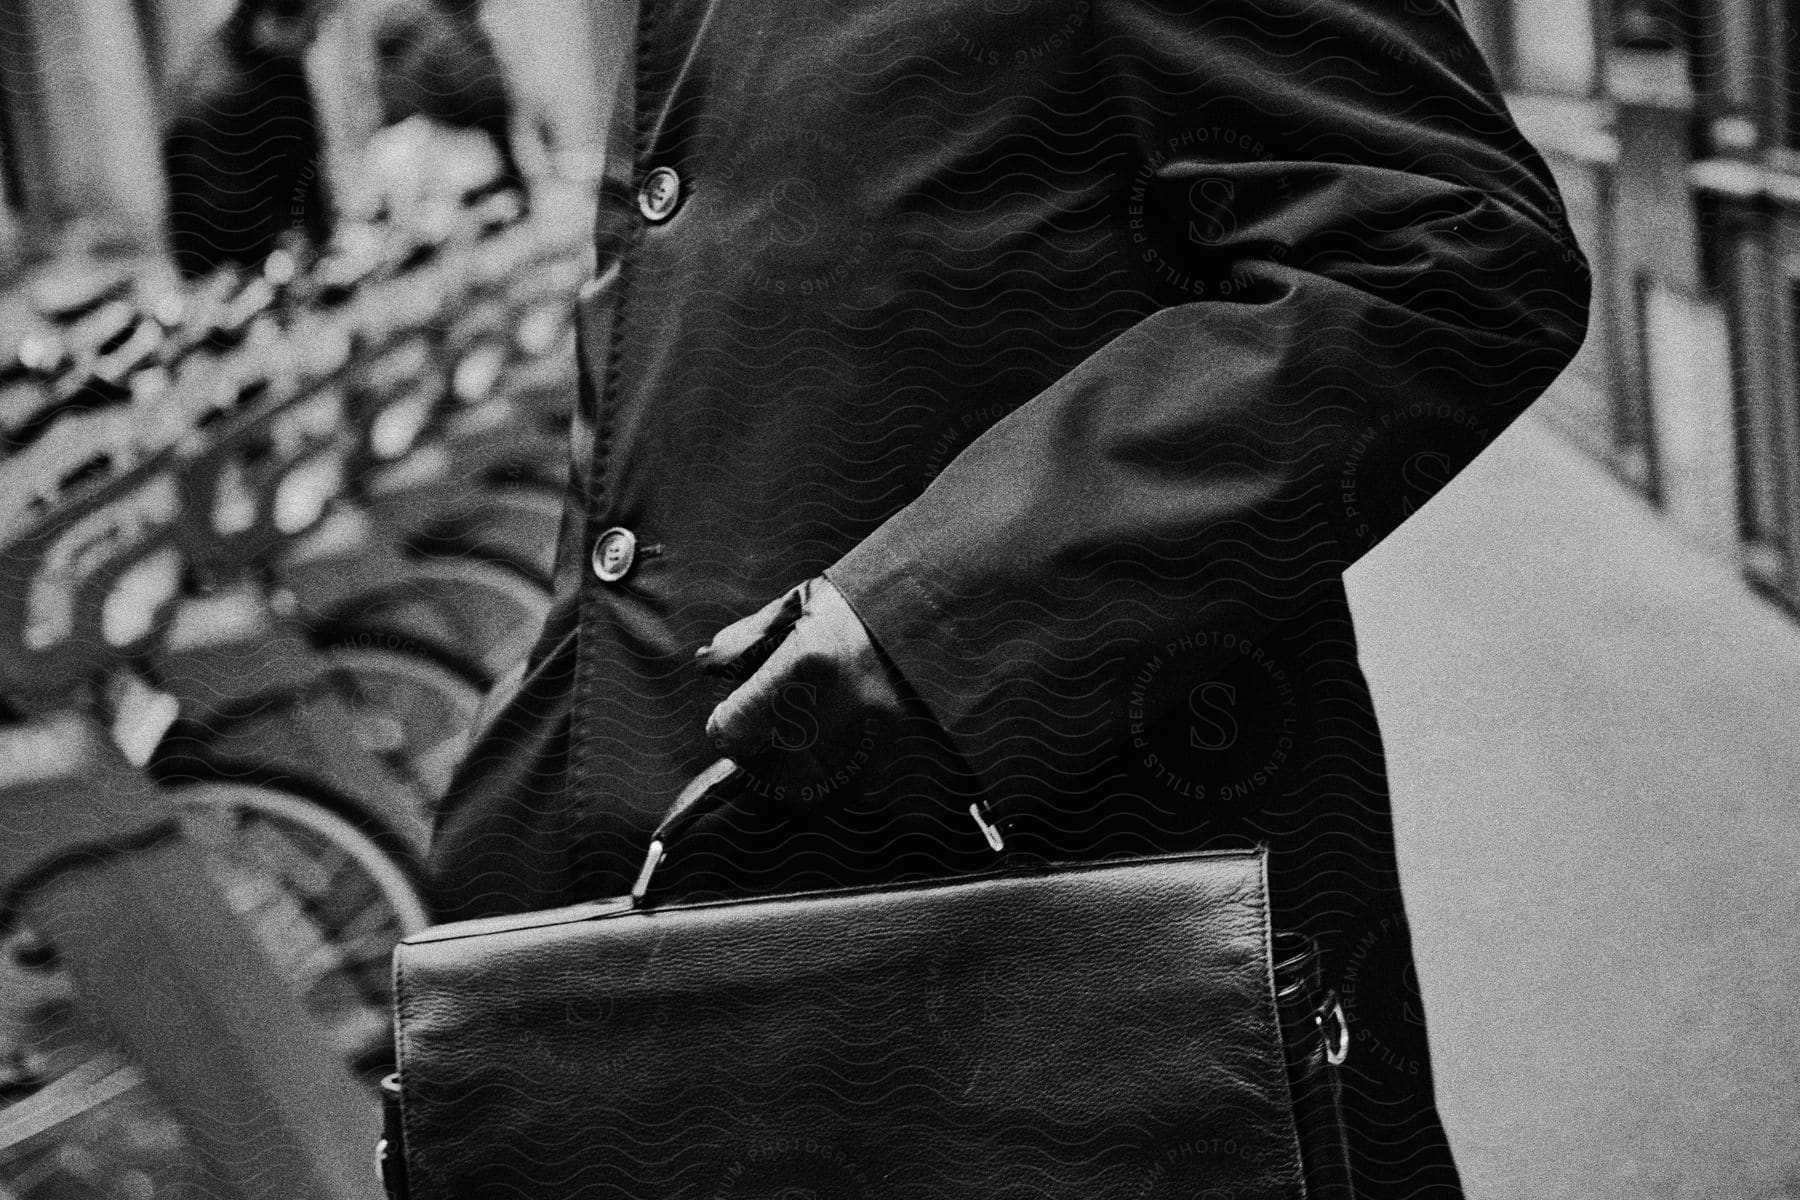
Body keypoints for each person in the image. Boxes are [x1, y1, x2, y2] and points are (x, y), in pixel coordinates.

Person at [424, 2, 1590, 1195]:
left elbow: (1453, 251)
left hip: (1065, 911)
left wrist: (934, 621)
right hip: (737, 948)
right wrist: (512, 794)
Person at [161, 0, 335, 279]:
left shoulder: (279, 62)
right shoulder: (216, 93)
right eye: (313, 22)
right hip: (233, 269)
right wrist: (285, 237)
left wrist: (318, 231)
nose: (316, 34)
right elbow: (220, 208)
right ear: (272, 19)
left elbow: (305, 159)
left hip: (283, 251)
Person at [370, 0, 528, 200]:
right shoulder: (436, 37)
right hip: (479, 112)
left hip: (469, 117)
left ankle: (505, 190)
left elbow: (464, 83)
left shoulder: (416, 55)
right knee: (501, 153)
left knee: (495, 156)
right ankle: (508, 188)